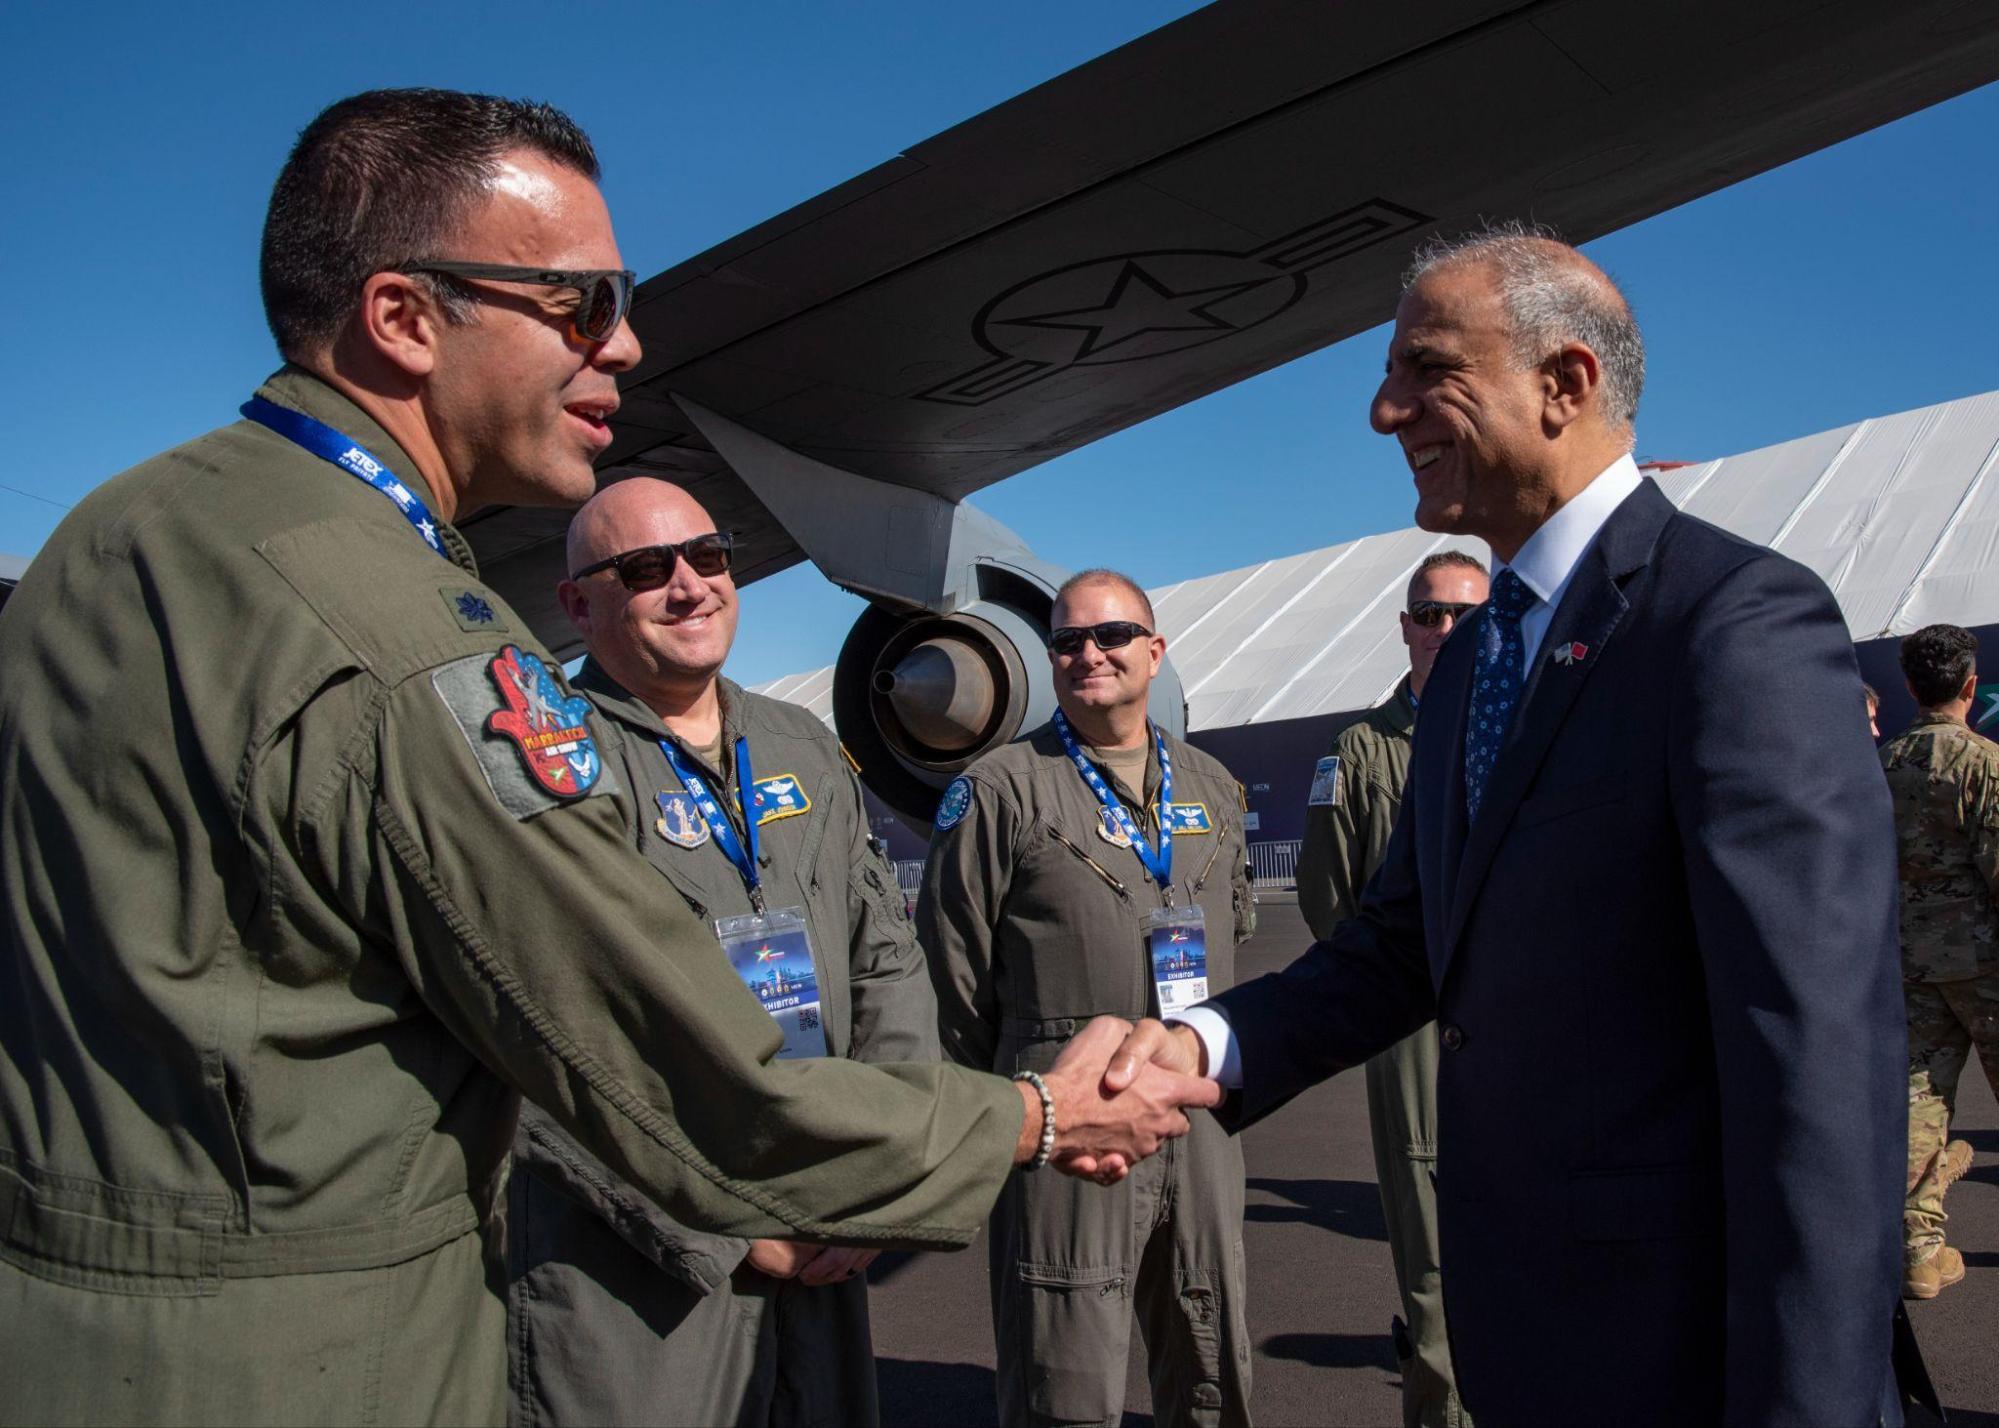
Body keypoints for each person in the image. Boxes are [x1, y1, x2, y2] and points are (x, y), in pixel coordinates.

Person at [0, 89, 1218, 1425]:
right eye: (579, 304)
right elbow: (649, 1056)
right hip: (323, 1360)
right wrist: (1034, 1118)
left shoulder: (109, 541)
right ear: (403, 318)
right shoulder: (403, 637)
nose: (624, 344)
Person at [1108, 224, 1905, 1426]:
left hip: (1683, 1356)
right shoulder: (1477, 656)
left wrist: (1815, 1403)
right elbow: (1401, 944)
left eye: (1426, 370)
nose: (1384, 411)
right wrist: (1201, 1046)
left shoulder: (1731, 625)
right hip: (1527, 1334)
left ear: (1563, 383)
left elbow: (1815, 1053)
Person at [505, 477, 932, 1425]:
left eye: (708, 556)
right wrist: (721, 1220)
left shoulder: (799, 746)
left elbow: (885, 962)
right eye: (645, 568)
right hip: (642, 1270)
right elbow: (527, 1048)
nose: (690, 585)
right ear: (578, 603)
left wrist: (880, 1174)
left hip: (826, 1220)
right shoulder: (548, 767)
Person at [919, 569, 1259, 1428]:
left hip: (1196, 1107)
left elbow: (1239, 923)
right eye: (1067, 641)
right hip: (1069, 1113)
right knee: (1063, 1368)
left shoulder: (1213, 786)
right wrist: (1016, 1099)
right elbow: (952, 977)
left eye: (1111, 635)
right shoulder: (1000, 790)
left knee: (1211, 1348)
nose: (1089, 654)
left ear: (1154, 651)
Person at [1294, 549, 1487, 1428]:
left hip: (1527, 1015)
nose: (1444, 629)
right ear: (1405, 627)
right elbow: (1327, 897)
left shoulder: (1530, 721)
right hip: (1413, 1025)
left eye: (1463, 614)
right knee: (1431, 1247)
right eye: (1429, 613)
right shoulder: (1358, 753)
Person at [1879, 623, 1994, 1300]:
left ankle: (1919, 1252)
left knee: (1918, 1106)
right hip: (1985, 963)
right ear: (1970, 687)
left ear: (1909, 686)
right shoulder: (1982, 763)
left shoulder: (1880, 765)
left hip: (1909, 965)